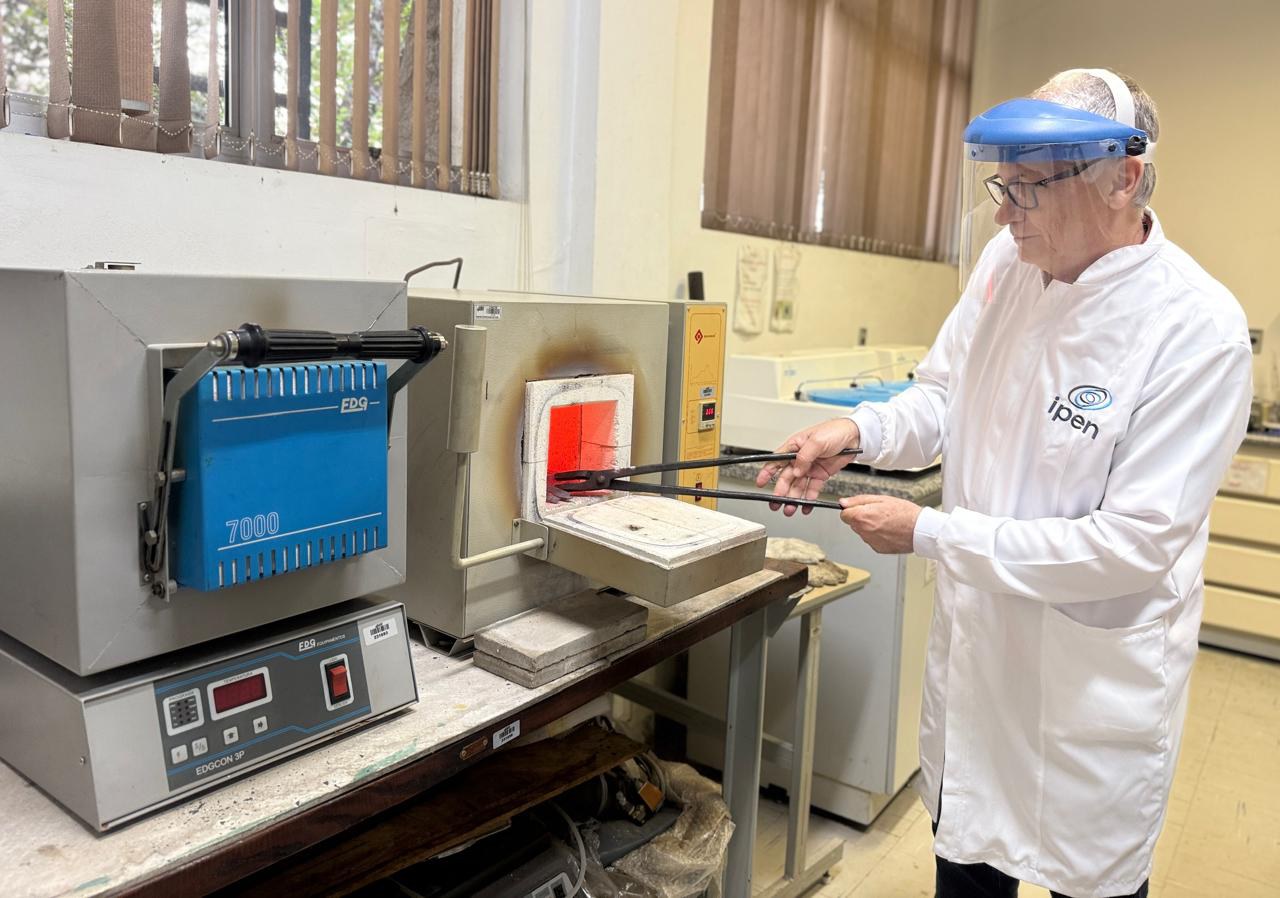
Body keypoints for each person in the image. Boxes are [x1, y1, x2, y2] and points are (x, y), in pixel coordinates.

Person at [757, 68, 1253, 898]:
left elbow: (1131, 547)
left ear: (1123, 177)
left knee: (1083, 878)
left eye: (1029, 188)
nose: (1002, 212)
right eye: (1001, 184)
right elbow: (946, 393)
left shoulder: (1196, 332)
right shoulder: (1005, 261)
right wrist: (862, 430)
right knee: (967, 868)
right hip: (980, 676)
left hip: (1089, 698)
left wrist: (929, 533)